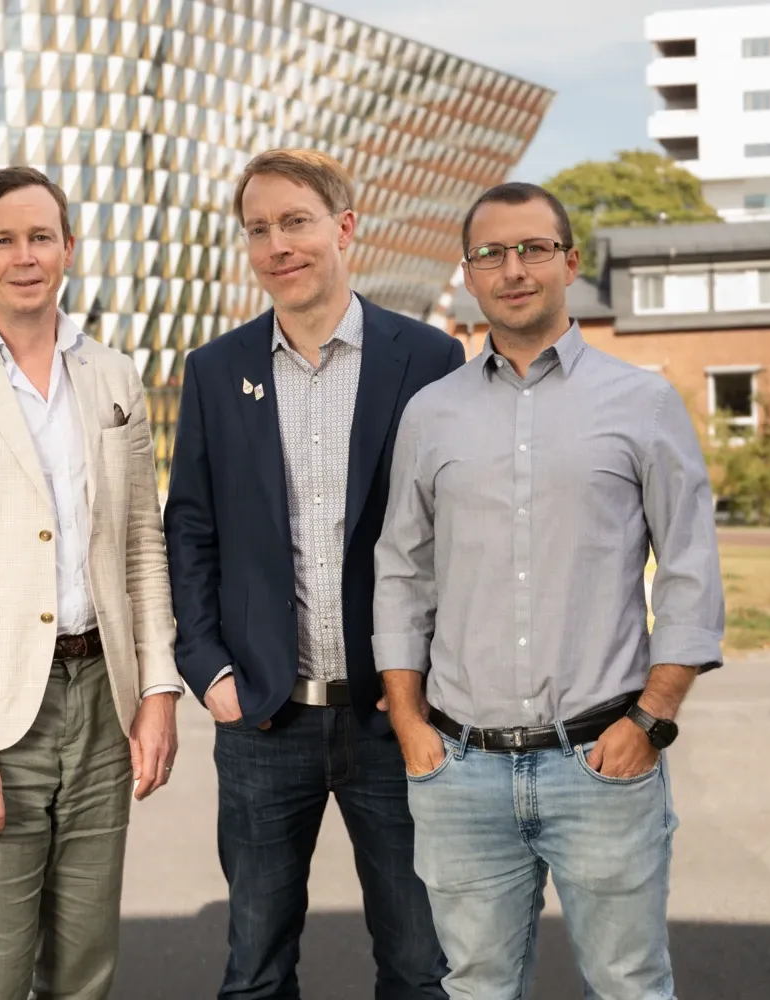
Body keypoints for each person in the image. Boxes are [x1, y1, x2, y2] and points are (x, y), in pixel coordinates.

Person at [374, 181, 725, 1000]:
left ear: (569, 260)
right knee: (476, 987)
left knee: (631, 985)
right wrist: (407, 719)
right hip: (459, 768)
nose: (514, 267)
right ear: (468, 274)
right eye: (491, 253)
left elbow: (689, 566)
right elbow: (402, 571)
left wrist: (654, 717)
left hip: (603, 761)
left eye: (533, 247)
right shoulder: (432, 413)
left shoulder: (641, 401)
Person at [163, 148, 460, 999]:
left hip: (394, 718)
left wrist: (431, 683)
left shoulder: (429, 359)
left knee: (418, 965)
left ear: (345, 228)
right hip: (262, 719)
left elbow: (457, 534)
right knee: (254, 971)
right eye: (258, 230)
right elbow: (190, 527)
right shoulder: (218, 371)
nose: (276, 245)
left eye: (295, 222)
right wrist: (208, 668)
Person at [0, 165, 183, 1000]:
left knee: (86, 965)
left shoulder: (115, 378)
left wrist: (156, 691)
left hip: (103, 701)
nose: (24, 256)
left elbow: (141, 550)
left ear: (68, 250)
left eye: (40, 237)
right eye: (3, 240)